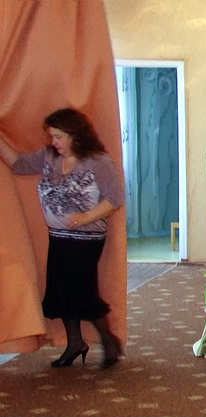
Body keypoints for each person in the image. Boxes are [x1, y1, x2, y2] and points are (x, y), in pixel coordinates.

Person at [0, 108, 124, 368]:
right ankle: (75, 342)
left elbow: (114, 198)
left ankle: (108, 340)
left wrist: (85, 217)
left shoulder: (98, 161)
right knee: (61, 290)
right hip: (58, 236)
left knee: (82, 290)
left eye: (58, 136)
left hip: (86, 239)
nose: (53, 142)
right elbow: (19, 164)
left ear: (75, 135)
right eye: (52, 136)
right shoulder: (48, 157)